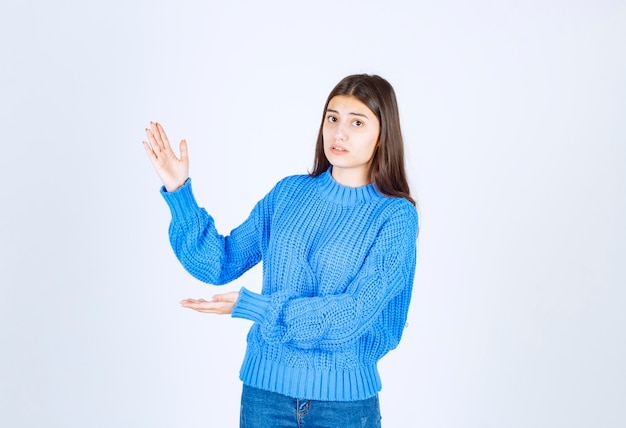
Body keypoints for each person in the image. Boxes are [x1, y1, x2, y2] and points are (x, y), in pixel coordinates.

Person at [142, 74, 419, 428]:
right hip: (264, 396)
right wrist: (178, 189)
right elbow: (219, 262)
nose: (340, 133)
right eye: (332, 118)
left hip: (345, 407)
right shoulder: (288, 194)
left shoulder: (395, 216)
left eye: (357, 122)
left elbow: (353, 315)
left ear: (382, 137)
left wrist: (257, 307)